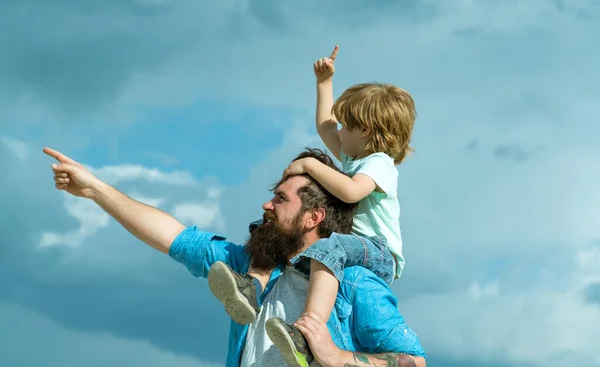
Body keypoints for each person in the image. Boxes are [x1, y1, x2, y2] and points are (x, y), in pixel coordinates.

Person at [44, 146, 426, 367]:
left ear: (314, 217)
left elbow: (416, 363)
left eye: (280, 199)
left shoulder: (355, 282)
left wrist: (338, 357)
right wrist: (95, 190)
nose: (266, 204)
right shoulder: (247, 270)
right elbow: (172, 236)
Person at [208, 46, 417, 365]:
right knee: (273, 236)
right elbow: (325, 126)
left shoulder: (379, 164)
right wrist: (324, 82)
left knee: (328, 248)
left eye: (348, 126)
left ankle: (309, 329)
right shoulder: (355, 156)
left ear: (367, 131)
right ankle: (251, 288)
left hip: (378, 250)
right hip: (351, 245)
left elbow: (350, 192)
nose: (341, 132)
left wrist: (308, 164)